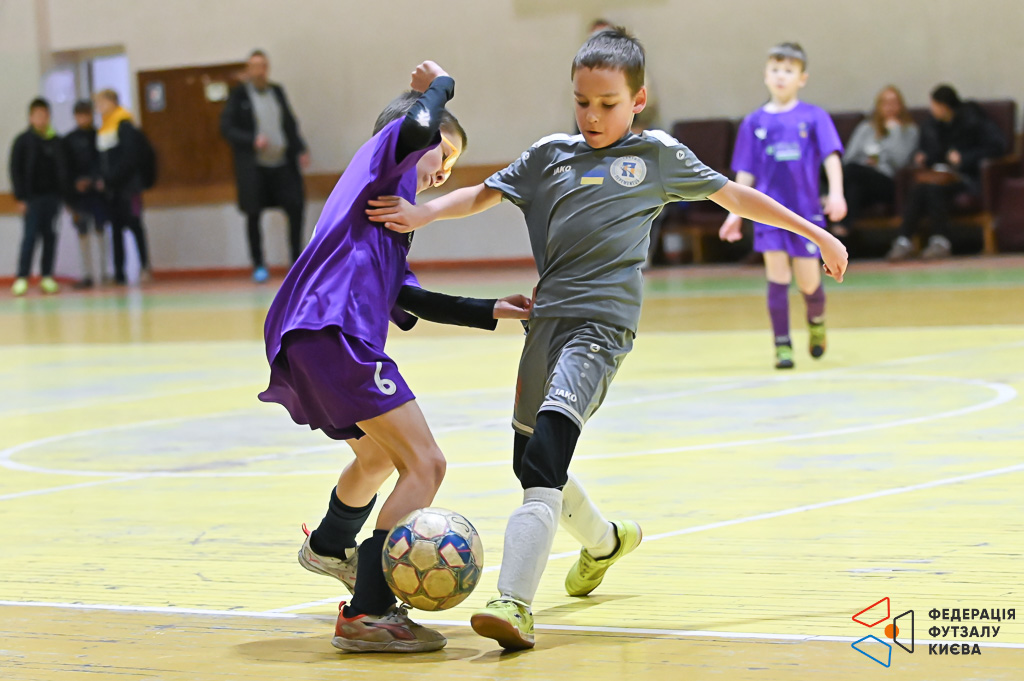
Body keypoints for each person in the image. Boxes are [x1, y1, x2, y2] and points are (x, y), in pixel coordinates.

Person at [366, 28, 848, 650]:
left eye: (608, 104)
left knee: (546, 456)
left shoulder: (657, 156)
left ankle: (513, 603)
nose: (592, 116)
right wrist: (424, 212)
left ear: (638, 100)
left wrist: (816, 233)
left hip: (601, 327)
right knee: (526, 459)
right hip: (547, 323)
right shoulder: (549, 155)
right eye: (582, 102)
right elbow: (481, 194)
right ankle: (605, 541)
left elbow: (736, 194)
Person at [259, 61, 531, 653]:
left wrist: (493, 309)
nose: (444, 172)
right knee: (426, 464)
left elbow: (411, 297)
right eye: (444, 154)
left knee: (380, 456)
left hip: (310, 336)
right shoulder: (387, 157)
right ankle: (369, 613)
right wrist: (439, 85)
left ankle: (330, 545)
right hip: (333, 333)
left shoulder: (384, 214)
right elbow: (414, 127)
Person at [719, 42, 847, 370]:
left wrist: (836, 193)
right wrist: (734, 213)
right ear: (765, 75)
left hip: (806, 214)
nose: (780, 76)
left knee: (808, 283)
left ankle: (816, 321)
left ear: (802, 78)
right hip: (767, 216)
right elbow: (745, 172)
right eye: (775, 70)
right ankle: (782, 345)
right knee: (777, 277)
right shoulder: (753, 122)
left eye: (788, 71)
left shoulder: (814, 117)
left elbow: (831, 156)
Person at [886, 84, 1007, 261]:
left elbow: (997, 147)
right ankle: (903, 240)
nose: (932, 109)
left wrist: (964, 157)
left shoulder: (974, 121)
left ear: (944, 106)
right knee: (920, 188)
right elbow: (935, 153)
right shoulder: (932, 125)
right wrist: (925, 158)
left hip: (968, 176)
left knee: (934, 189)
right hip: (940, 175)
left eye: (934, 105)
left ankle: (940, 241)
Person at [221, 50, 309, 283]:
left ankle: (296, 261)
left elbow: (289, 123)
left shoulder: (277, 91)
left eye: (263, 66)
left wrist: (300, 148)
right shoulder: (239, 95)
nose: (259, 71)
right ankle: (259, 263)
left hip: (282, 164)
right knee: (253, 213)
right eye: (255, 67)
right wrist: (252, 140)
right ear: (248, 70)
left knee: (296, 206)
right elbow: (227, 128)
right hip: (255, 167)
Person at [831, 86, 918, 240]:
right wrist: (865, 161)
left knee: (849, 173)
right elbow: (848, 158)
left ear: (900, 105)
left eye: (894, 103)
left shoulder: (908, 130)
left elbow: (900, 161)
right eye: (885, 103)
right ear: (878, 106)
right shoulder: (866, 128)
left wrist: (894, 131)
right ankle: (843, 234)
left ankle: (828, 196)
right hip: (859, 176)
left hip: (887, 180)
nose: (890, 107)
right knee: (853, 187)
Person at [8, 97, 66, 296]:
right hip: (32, 198)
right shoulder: (23, 141)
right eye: (37, 115)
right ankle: (22, 277)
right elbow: (15, 170)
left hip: (52, 198)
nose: (41, 119)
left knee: (50, 236)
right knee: (30, 237)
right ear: (31, 117)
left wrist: (63, 195)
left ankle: (47, 276)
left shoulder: (56, 141)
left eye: (44, 115)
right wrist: (20, 197)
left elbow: (62, 170)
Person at [94, 89, 152, 285]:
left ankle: (145, 267)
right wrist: (103, 180)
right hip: (112, 190)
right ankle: (119, 272)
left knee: (135, 225)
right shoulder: (103, 129)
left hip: (129, 187)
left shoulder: (125, 125)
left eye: (102, 102)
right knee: (116, 229)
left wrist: (111, 178)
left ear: (112, 102)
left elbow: (129, 158)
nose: (99, 107)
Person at [64, 99, 108, 288]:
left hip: (97, 192)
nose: (83, 119)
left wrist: (94, 179)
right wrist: (74, 185)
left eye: (86, 114)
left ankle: (104, 272)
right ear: (75, 117)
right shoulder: (69, 140)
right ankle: (87, 273)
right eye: (80, 115)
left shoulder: (100, 136)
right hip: (78, 194)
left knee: (100, 229)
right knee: (82, 231)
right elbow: (65, 168)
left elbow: (103, 162)